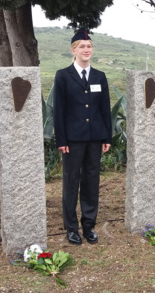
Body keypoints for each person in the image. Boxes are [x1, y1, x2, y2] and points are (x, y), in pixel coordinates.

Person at [54, 28, 111, 245]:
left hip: (95, 138)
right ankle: (71, 228)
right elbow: (58, 110)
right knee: (71, 182)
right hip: (73, 140)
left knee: (92, 181)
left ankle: (88, 225)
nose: (86, 49)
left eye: (89, 46)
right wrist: (62, 140)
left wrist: (106, 137)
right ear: (73, 50)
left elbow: (104, 109)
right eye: (81, 46)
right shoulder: (63, 75)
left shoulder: (99, 76)